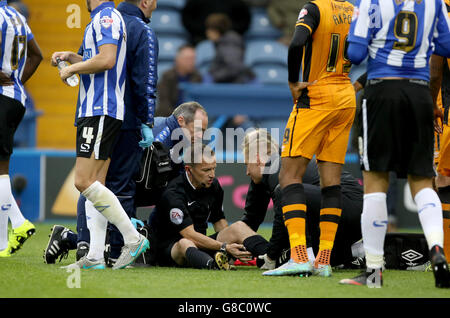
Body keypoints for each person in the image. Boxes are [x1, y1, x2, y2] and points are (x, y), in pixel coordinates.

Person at [340, 0, 450, 288]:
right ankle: (437, 249)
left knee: (375, 182)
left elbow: (356, 52)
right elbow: (447, 46)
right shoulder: (433, 3)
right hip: (419, 94)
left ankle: (374, 273)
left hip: (381, 90)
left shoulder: (372, 2)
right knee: (423, 182)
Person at [44, 102, 209, 263]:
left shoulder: (180, 143)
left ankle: (67, 237)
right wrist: (129, 215)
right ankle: (77, 240)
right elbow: (126, 175)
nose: (202, 136)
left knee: (139, 237)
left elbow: (169, 191)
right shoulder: (160, 135)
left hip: (130, 192)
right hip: (117, 190)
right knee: (94, 246)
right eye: (198, 129)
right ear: (181, 121)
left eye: (204, 131)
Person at [51, 0, 149, 270]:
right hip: (104, 109)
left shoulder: (106, 17)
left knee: (83, 181)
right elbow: (102, 60)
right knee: (97, 184)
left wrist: (71, 69)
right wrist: (74, 58)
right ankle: (95, 255)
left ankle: (132, 237)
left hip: (99, 109)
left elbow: (107, 60)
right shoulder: (107, 17)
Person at [264, 0, 356, 278]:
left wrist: (293, 81)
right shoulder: (356, 11)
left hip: (317, 95)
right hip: (345, 94)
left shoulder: (314, 8)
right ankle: (324, 259)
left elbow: (296, 43)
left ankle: (300, 255)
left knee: (289, 176)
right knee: (332, 183)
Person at [241, 129, 364, 270]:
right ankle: (355, 252)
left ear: (257, 159)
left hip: (346, 209)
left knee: (286, 191)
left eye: (246, 164)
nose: (247, 172)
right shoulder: (281, 165)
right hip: (356, 218)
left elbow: (281, 220)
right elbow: (253, 218)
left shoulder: (278, 167)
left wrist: (271, 256)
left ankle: (305, 258)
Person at [149, 143, 270, 269]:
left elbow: (219, 222)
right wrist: (224, 247)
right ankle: (214, 265)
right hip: (171, 251)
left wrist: (234, 245)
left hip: (201, 246)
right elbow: (189, 235)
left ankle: (272, 256)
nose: (212, 174)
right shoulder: (173, 194)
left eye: (213, 168)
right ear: (188, 170)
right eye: (206, 170)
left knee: (238, 227)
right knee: (185, 243)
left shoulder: (214, 186)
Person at [0, 0, 42, 258]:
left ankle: (19, 222)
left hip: (1, 99)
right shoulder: (16, 15)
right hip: (16, 99)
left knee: (1, 171)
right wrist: (18, 82)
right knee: (1, 168)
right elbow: (37, 55)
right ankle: (2, 242)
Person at [205, 13, 254, 84]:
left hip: (231, 88)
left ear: (216, 30)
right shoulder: (225, 43)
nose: (207, 33)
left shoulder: (229, 44)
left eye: (208, 29)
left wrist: (214, 77)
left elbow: (235, 67)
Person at [155, 45, 202, 117]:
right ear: (178, 59)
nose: (191, 62)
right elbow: (164, 104)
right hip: (169, 118)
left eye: (193, 59)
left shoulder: (198, 77)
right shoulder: (167, 76)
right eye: (188, 59)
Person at [181, 0, 251, 45]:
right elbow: (187, 17)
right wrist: (204, 31)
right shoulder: (195, 2)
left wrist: (227, 31)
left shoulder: (236, 3)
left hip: (228, 40)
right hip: (201, 39)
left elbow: (245, 19)